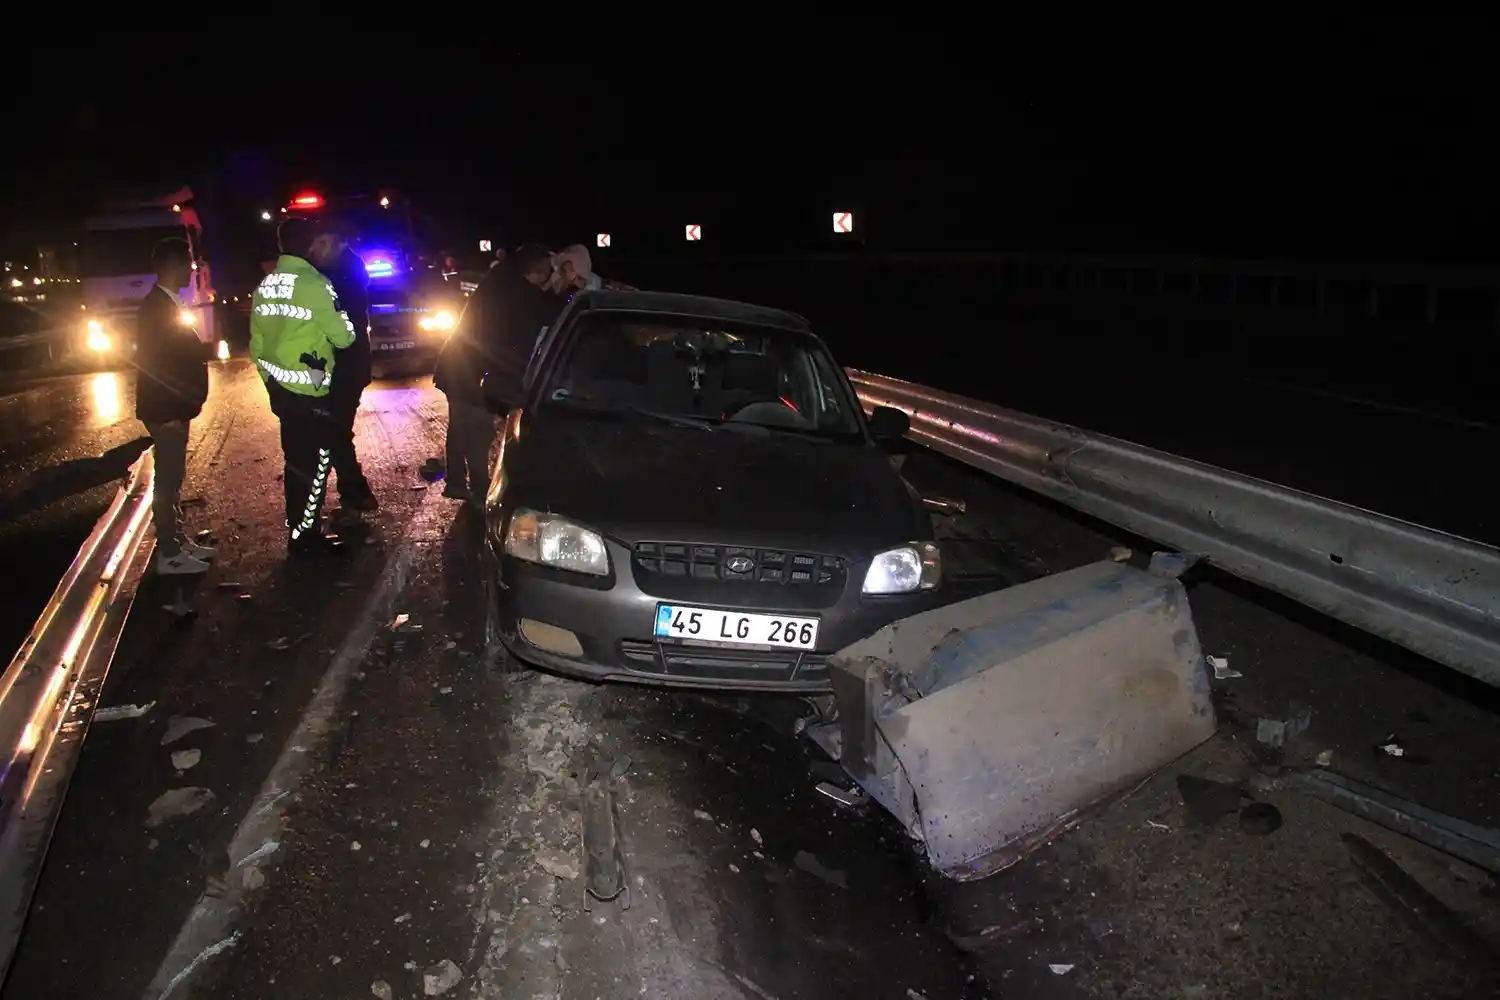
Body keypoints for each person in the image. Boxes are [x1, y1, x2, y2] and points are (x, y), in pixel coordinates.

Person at [250, 217, 358, 555]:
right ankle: (305, 537)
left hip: (280, 390)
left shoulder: (265, 286)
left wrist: (272, 383)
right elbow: (344, 337)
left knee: (295, 462)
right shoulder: (316, 284)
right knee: (317, 462)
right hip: (311, 391)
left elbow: (255, 346)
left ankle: (298, 529)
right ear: (310, 244)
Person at [434, 243, 557, 506]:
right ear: (540, 270)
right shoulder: (519, 293)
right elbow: (531, 326)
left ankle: (455, 482)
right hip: (474, 373)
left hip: (456, 366)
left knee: (461, 425)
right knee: (479, 432)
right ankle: (480, 492)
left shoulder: (501, 280)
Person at [133, 238, 216, 575]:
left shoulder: (166, 303)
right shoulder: (157, 308)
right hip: (166, 410)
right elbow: (157, 365)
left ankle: (178, 541)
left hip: (172, 407)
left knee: (174, 478)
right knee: (167, 481)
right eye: (186, 264)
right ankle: (169, 553)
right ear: (172, 266)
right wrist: (169, 411)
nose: (190, 270)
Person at [322, 240, 377, 511]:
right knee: (335, 430)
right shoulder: (345, 271)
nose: (317, 248)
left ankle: (355, 489)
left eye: (323, 242)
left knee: (334, 430)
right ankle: (353, 489)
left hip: (343, 366)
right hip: (346, 367)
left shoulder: (340, 277)